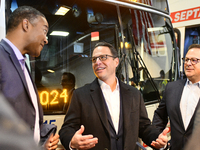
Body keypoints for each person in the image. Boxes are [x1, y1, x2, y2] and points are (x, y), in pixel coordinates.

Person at [59, 41, 168, 150]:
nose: (97, 62)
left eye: (103, 57)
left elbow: (144, 127)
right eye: (94, 59)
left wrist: (157, 138)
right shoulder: (80, 95)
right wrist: (72, 142)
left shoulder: (134, 94)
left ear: (116, 61)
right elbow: (66, 129)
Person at [0, 6, 59, 150]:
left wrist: (43, 141)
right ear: (26, 25)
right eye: (44, 30)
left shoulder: (23, 65)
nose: (46, 40)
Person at [152, 44, 200, 150]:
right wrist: (158, 136)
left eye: (194, 60)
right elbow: (160, 115)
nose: (188, 63)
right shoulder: (172, 88)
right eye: (186, 59)